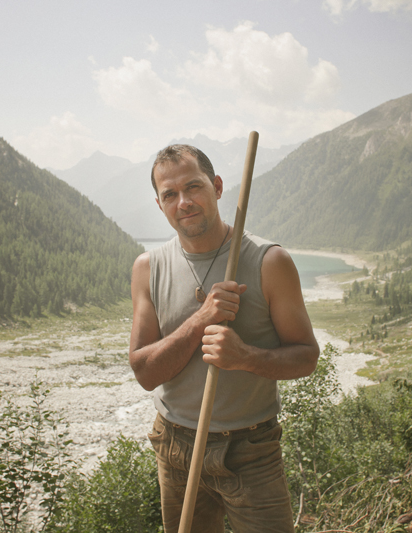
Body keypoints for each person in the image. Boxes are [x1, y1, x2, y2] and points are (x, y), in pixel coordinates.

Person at [129, 144, 320, 533]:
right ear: (159, 204)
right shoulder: (148, 268)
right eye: (170, 194)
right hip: (175, 445)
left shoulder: (269, 261)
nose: (183, 202)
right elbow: (146, 373)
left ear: (216, 187)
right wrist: (202, 318)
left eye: (193, 187)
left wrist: (246, 356)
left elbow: (306, 357)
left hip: (251, 449)